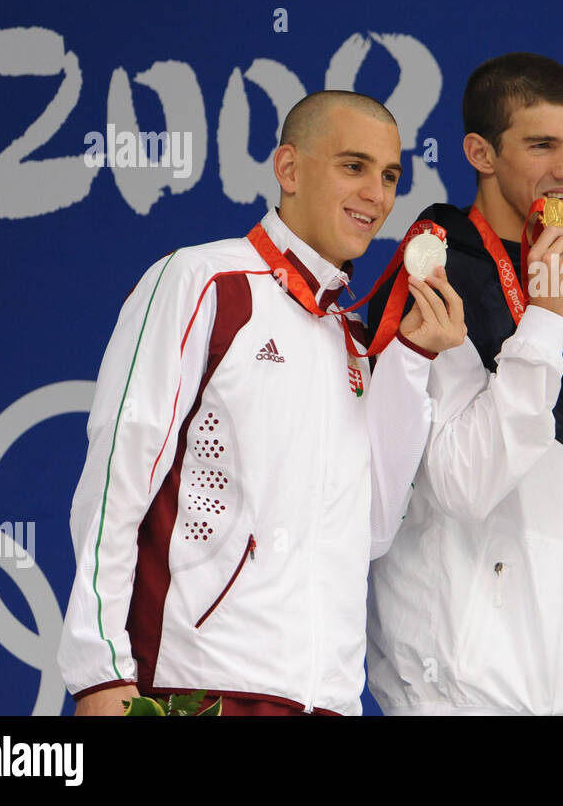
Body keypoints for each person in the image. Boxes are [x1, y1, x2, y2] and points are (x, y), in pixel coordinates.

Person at [57, 91, 467, 716]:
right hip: (195, 686)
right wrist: (100, 670)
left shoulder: (352, 339)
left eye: (389, 177)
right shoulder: (203, 282)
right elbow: (118, 479)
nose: (377, 195)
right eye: (353, 166)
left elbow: (373, 530)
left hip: (324, 700)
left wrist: (410, 358)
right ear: (289, 168)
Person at [364, 53, 563, 715]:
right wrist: (543, 327)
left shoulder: (549, 278)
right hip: (462, 697)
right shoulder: (435, 271)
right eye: (542, 145)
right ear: (480, 151)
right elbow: (464, 485)